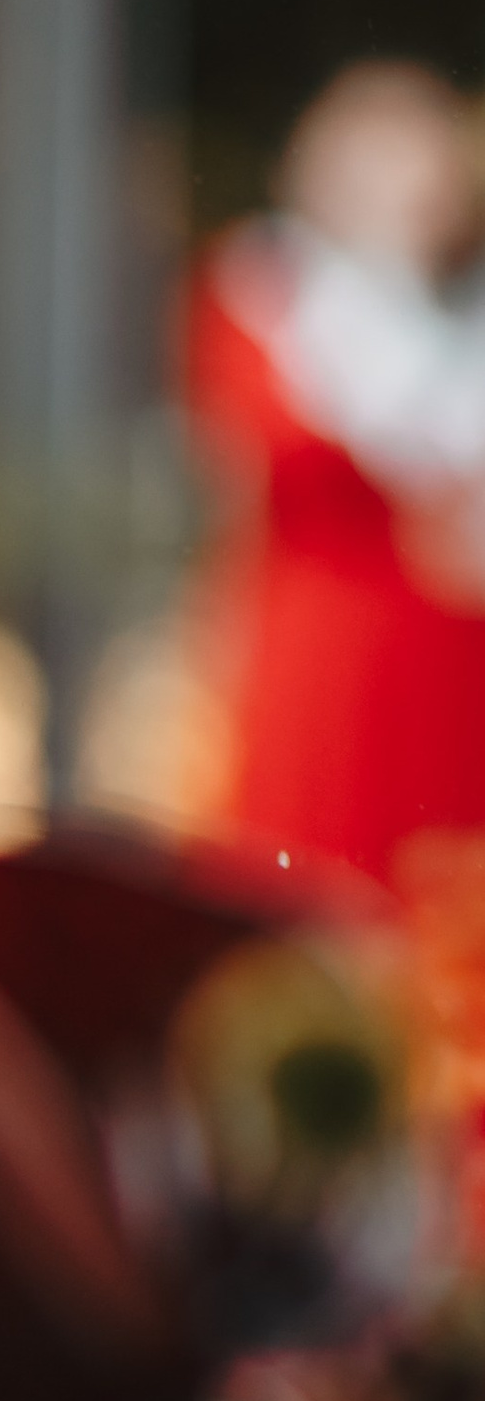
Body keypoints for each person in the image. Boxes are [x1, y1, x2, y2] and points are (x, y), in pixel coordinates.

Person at [186, 60, 485, 900]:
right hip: (334, 663)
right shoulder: (272, 298)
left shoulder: (464, 313)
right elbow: (280, 447)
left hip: (457, 662)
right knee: (323, 890)